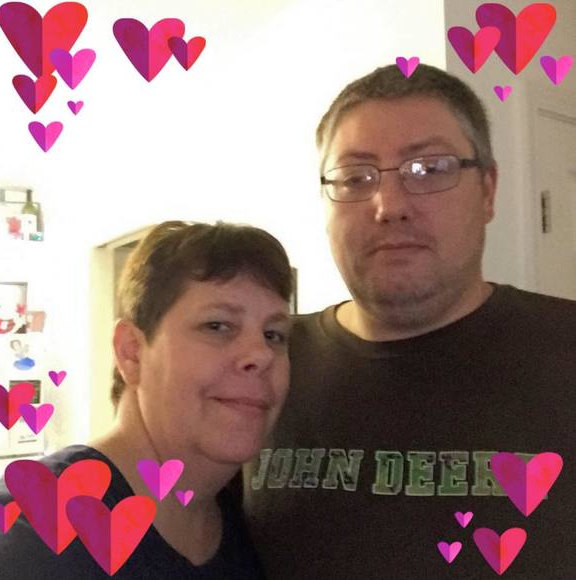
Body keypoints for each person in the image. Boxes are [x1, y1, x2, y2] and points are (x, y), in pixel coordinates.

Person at [242, 64, 576, 579]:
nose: (390, 206)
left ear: (488, 190)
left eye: (430, 169)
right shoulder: (260, 363)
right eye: (355, 178)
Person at [0, 221, 293, 578]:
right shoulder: (27, 531)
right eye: (217, 326)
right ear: (132, 352)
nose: (261, 354)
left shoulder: (249, 530)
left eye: (274, 334)